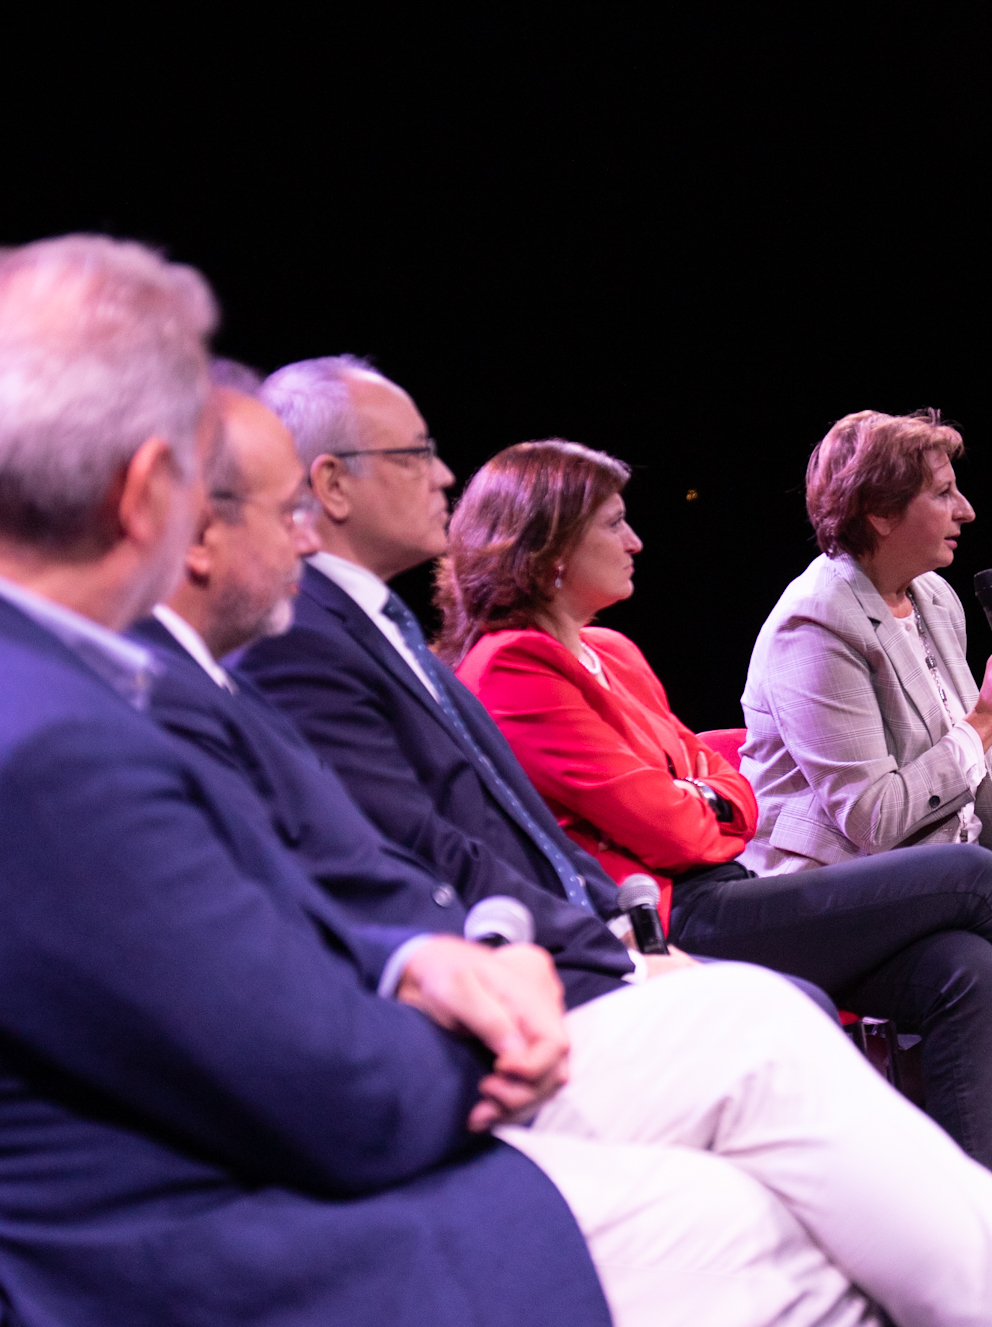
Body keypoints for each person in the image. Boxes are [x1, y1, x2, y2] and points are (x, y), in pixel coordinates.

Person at [0, 235, 992, 1327]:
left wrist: (428, 951)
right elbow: (330, 1079)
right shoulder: (44, 740)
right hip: (246, 1259)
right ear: (150, 497)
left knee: (783, 1058)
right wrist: (498, 1006)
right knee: (781, 1221)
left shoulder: (23, 680)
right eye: (256, 502)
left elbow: (329, 881)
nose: (293, 537)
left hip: (331, 1119)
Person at [436, 435, 992, 1212]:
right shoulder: (514, 664)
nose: (636, 539)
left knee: (966, 963)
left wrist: (707, 799)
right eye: (613, 523)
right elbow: (686, 821)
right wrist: (710, 801)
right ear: (548, 546)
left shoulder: (612, 650)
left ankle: (983, 1217)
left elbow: (718, 785)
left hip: (741, 880)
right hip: (679, 912)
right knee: (977, 879)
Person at [133, 383, 639, 1007]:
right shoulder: (295, 640)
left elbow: (522, 821)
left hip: (561, 945)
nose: (444, 475)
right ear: (333, 484)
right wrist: (611, 953)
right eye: (416, 454)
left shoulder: (382, 624)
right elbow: (411, 846)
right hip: (516, 969)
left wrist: (618, 929)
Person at [739, 408, 992, 1056]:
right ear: (880, 512)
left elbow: (942, 756)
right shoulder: (816, 625)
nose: (965, 510)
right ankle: (970, 1098)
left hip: (953, 862)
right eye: (942, 493)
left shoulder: (934, 597)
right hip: (850, 882)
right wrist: (988, 718)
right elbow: (876, 817)